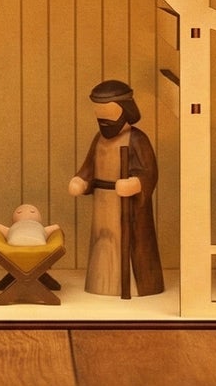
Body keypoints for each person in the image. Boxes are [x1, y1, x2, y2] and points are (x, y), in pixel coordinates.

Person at [68, 79, 164, 298]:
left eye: (109, 116)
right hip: (103, 203)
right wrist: (82, 181)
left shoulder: (137, 139)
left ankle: (134, 286)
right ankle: (101, 283)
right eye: (99, 117)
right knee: (103, 243)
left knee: (130, 247)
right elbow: (89, 166)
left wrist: (135, 184)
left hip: (128, 208)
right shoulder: (99, 139)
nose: (104, 123)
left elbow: (149, 172)